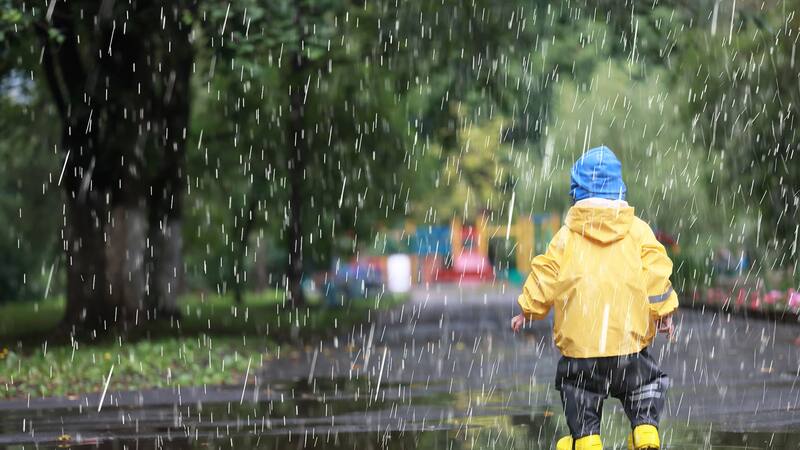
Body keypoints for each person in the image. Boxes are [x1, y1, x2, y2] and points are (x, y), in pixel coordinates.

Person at [511, 146, 678, 450]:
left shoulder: (566, 237)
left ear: (576, 194)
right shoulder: (637, 231)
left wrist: (528, 308)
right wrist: (663, 311)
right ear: (620, 191)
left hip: (582, 349)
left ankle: (587, 439)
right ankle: (645, 430)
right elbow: (656, 271)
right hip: (628, 344)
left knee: (578, 390)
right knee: (645, 384)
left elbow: (546, 271)